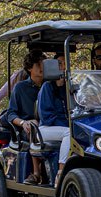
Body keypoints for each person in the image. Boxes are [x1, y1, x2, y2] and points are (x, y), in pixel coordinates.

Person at [1, 49, 48, 184]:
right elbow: (11, 113)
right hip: (27, 128)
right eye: (38, 65)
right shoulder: (21, 87)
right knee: (34, 128)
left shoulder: (50, 85)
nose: (42, 68)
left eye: (44, 65)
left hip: (49, 124)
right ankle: (36, 173)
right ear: (29, 68)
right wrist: (23, 123)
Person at [37, 53, 71, 181]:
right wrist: (69, 125)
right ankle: (61, 172)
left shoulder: (68, 88)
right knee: (69, 133)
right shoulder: (47, 87)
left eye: (65, 63)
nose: (63, 67)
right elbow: (47, 117)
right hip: (45, 129)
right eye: (60, 64)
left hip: (62, 127)